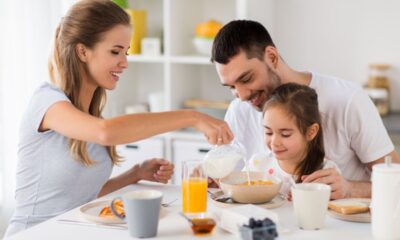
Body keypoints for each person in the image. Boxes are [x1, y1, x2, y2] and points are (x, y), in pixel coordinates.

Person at [5, 0, 233, 236]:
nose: (124, 62)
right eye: (115, 51)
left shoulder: (89, 116)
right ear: (82, 51)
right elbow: (107, 132)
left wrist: (135, 174)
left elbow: (82, 195)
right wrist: (191, 117)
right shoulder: (47, 102)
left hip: (73, 232)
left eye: (126, 52)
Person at [211, 19, 399, 199]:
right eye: (231, 87)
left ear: (271, 57)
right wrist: (212, 179)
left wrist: (349, 189)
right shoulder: (239, 109)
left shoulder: (347, 99)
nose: (242, 96)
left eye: (246, 79)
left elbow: (396, 181)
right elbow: (229, 186)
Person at [251, 83, 341, 198]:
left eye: (285, 134)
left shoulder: (326, 173)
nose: (274, 142)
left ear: (311, 132)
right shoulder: (257, 165)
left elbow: (332, 210)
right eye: (269, 132)